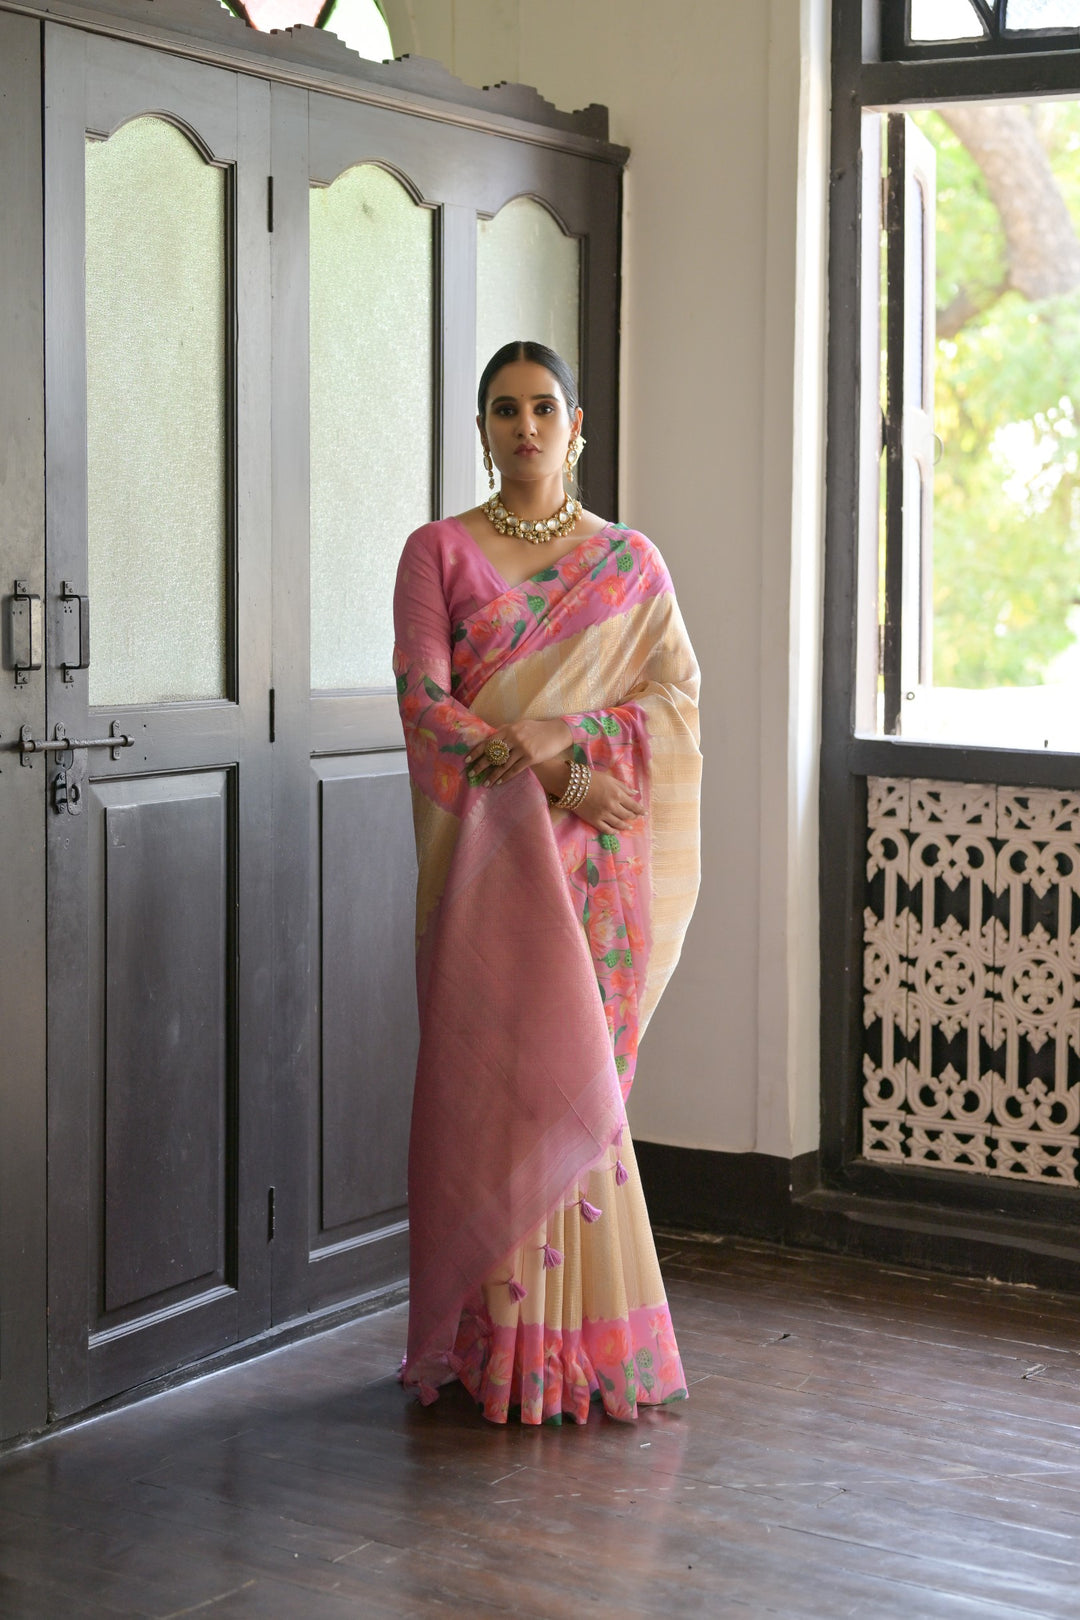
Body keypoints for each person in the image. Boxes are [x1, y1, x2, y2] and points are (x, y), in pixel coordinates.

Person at [393, 339, 701, 1425]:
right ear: (481, 430)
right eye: (503, 409)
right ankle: (496, 1351)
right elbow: (426, 707)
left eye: (543, 408)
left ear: (578, 428)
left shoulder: (629, 564)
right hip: (488, 864)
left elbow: (675, 705)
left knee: (579, 1092)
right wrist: (550, 764)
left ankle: (577, 1350)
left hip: (592, 877)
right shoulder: (437, 551)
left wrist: (560, 741)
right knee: (494, 1086)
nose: (524, 427)